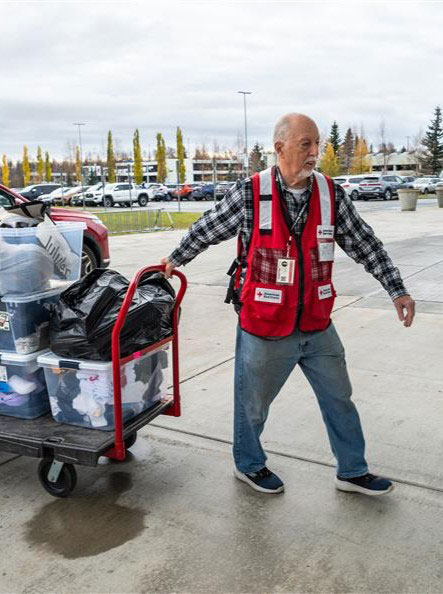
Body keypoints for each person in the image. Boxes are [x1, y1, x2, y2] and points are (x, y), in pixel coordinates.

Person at [161, 113, 415, 496]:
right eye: (305, 144)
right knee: (252, 407)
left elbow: (366, 244)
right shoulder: (250, 192)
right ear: (279, 148)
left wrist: (397, 290)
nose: (315, 152)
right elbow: (206, 229)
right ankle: (249, 465)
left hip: (316, 323)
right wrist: (173, 261)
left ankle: (352, 471)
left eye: (318, 145)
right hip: (264, 325)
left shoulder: (332, 194)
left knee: (339, 399)